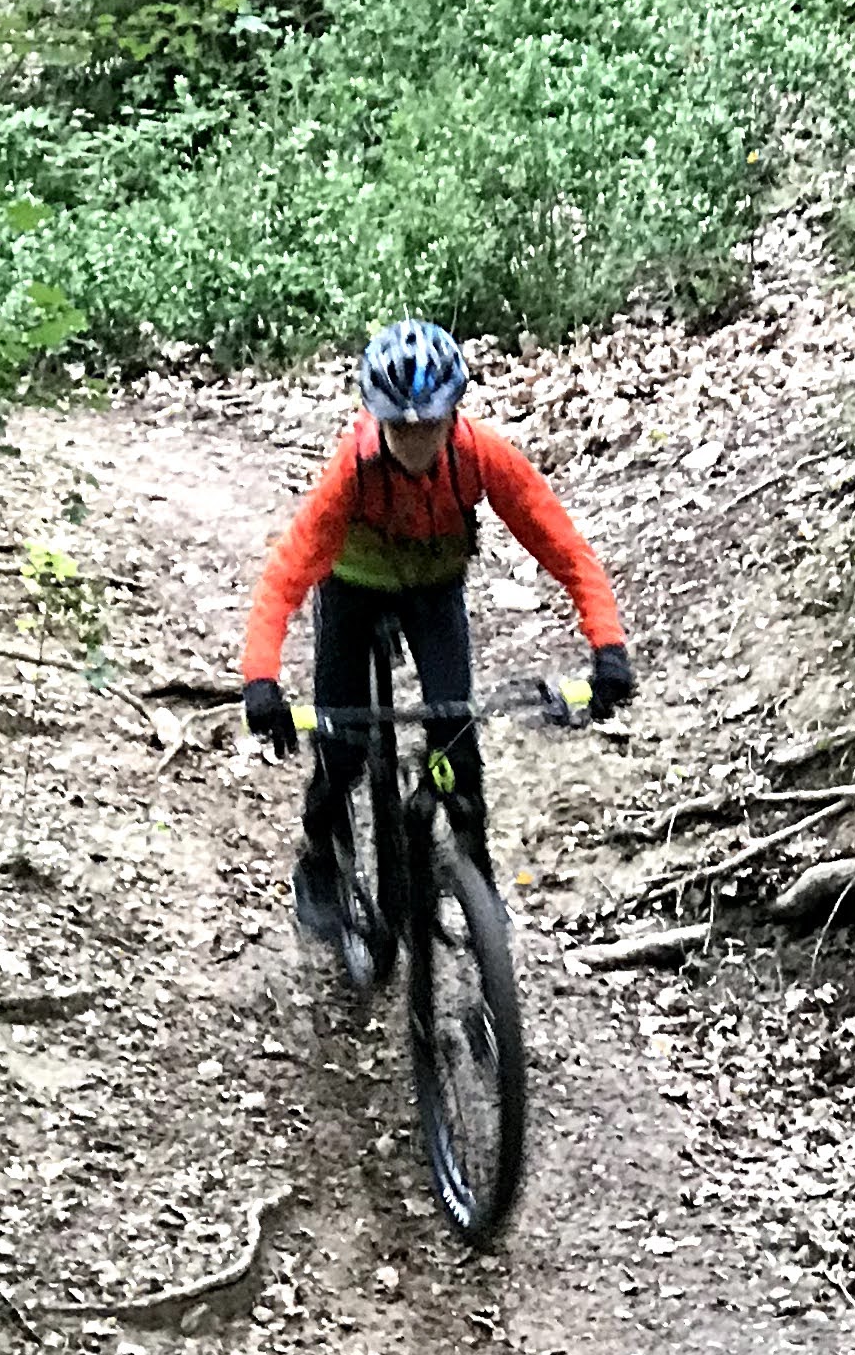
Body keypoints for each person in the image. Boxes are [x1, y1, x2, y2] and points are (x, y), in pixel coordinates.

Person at [241, 318, 634, 938]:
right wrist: (261, 679)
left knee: (457, 741)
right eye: (401, 428)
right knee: (342, 746)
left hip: (433, 590)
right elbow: (286, 575)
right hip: (352, 590)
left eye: (429, 425)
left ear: (453, 415)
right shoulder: (353, 469)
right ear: (379, 420)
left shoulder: (480, 455)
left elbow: (564, 549)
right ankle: (320, 858)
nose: (416, 442)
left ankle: (478, 888)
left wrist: (607, 645)